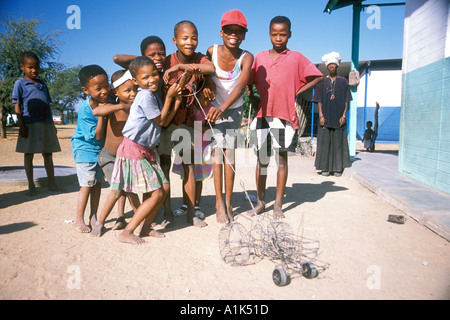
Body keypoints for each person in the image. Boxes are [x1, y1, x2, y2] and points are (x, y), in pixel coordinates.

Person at [91, 56, 183, 244]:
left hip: (145, 150)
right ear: (136, 81)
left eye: (155, 74)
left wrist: (175, 104)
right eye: (146, 77)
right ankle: (128, 231)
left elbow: (163, 122)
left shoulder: (151, 95)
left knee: (163, 187)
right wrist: (171, 98)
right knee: (157, 193)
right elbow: (160, 121)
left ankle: (146, 227)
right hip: (134, 149)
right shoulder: (146, 96)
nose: (152, 79)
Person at [247, 16, 323, 219]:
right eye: (274, 34)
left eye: (282, 34)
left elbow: (317, 76)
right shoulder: (260, 57)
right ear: (269, 34)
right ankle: (261, 201)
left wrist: (297, 92)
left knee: (281, 159)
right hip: (262, 115)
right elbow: (248, 78)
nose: (278, 38)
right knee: (261, 160)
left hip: (283, 116)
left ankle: (278, 204)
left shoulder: (296, 58)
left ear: (289, 34)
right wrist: (251, 96)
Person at [160, 20, 215, 228]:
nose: (189, 42)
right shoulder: (166, 61)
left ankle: (191, 211)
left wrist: (184, 67)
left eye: (194, 37)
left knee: (189, 166)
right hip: (166, 123)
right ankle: (166, 211)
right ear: (174, 40)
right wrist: (180, 71)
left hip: (187, 123)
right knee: (164, 166)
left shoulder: (200, 58)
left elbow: (211, 69)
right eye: (184, 38)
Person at [205, 9, 254, 224]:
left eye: (238, 31)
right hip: (214, 107)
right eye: (229, 30)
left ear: (244, 35)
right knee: (217, 155)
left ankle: (229, 201)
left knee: (229, 155)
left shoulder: (246, 57)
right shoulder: (211, 51)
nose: (233, 35)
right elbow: (205, 74)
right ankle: (218, 203)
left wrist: (223, 107)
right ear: (221, 32)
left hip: (232, 109)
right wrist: (207, 88)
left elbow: (241, 86)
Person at [94, 70, 140, 231]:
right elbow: (97, 111)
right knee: (118, 189)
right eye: (127, 91)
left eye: (135, 90)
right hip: (109, 157)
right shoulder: (111, 107)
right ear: (116, 92)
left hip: (127, 158)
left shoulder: (137, 109)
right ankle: (100, 222)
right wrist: (120, 106)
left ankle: (131, 218)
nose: (132, 94)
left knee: (128, 189)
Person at [12, 51, 62, 196]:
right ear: (22, 67)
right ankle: (31, 185)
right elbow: (17, 105)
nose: (34, 70)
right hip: (29, 123)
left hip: (46, 123)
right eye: (30, 67)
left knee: (48, 154)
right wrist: (21, 125)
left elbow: (47, 104)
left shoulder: (42, 84)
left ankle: (51, 183)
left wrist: (52, 125)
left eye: (36, 67)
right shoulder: (20, 83)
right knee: (28, 155)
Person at [71, 65, 109, 233]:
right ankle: (79, 219)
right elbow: (97, 136)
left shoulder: (106, 101)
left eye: (106, 86)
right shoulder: (86, 110)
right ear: (85, 90)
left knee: (97, 184)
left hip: (99, 151)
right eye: (98, 88)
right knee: (87, 184)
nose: (104, 91)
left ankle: (93, 216)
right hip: (85, 149)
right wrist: (101, 114)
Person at [171, 83, 213, 220]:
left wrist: (192, 125)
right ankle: (185, 204)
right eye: (199, 97)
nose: (202, 101)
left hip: (202, 148)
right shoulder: (191, 108)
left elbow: (210, 131)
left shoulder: (212, 109)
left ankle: (195, 205)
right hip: (187, 145)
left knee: (198, 178)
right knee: (186, 176)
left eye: (205, 98)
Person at [313, 51, 352, 177]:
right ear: (327, 67)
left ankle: (337, 168)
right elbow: (318, 100)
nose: (331, 67)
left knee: (337, 144)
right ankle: (325, 168)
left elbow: (347, 100)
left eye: (333, 65)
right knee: (324, 144)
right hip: (326, 117)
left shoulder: (343, 82)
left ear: (337, 66)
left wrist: (344, 115)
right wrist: (321, 115)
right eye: (329, 65)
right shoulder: (321, 82)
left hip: (338, 117)